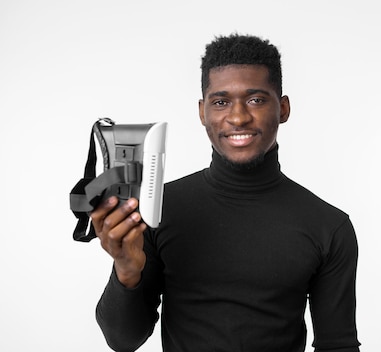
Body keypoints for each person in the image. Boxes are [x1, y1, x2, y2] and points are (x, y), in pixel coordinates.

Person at [91, 34, 361, 352]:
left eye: (256, 99)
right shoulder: (159, 210)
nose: (237, 117)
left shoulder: (328, 226)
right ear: (203, 111)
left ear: (283, 108)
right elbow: (123, 341)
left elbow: (338, 345)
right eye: (221, 102)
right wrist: (126, 270)